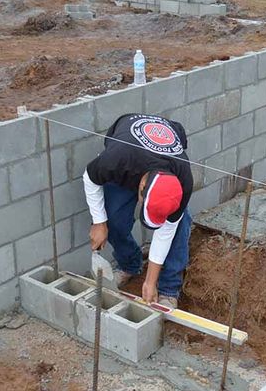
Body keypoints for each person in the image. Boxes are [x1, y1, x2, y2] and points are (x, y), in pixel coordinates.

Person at [82, 113, 193, 308]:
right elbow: (90, 178)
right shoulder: (116, 159)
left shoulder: (184, 181)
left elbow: (165, 232)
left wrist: (150, 282)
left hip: (161, 161)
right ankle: (130, 265)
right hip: (128, 154)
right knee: (114, 220)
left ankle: (169, 287)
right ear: (140, 186)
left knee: (179, 227)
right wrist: (99, 222)